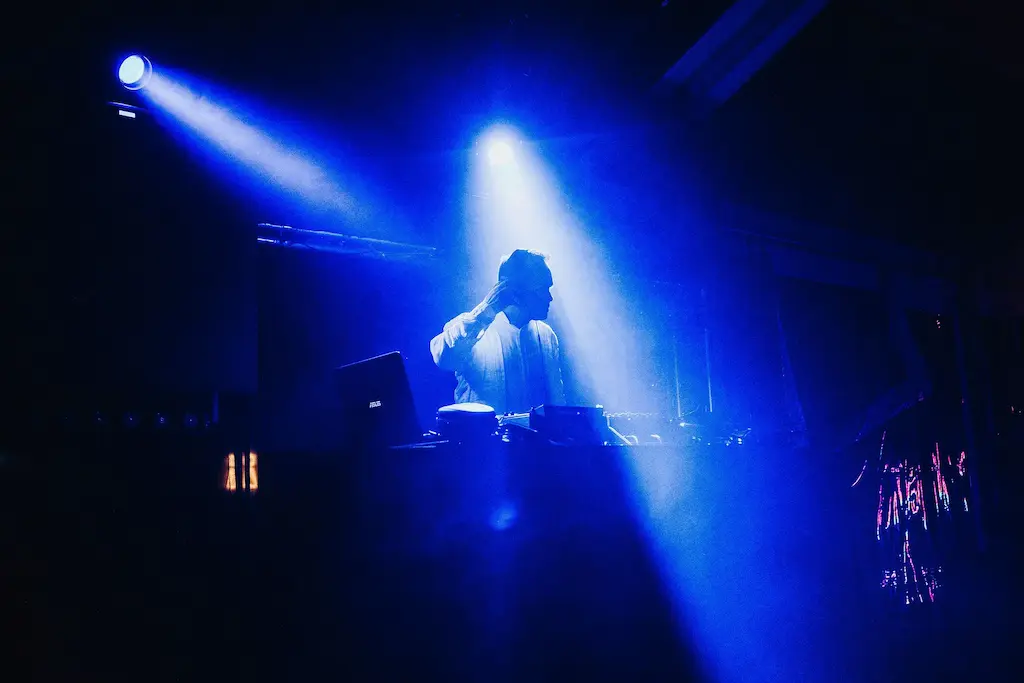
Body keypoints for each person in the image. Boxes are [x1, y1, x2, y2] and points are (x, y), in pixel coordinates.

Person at [430, 249, 565, 414]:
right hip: (484, 432)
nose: (549, 297)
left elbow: (556, 399)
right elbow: (444, 358)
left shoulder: (546, 336)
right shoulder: (474, 328)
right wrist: (484, 311)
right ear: (514, 290)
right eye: (542, 289)